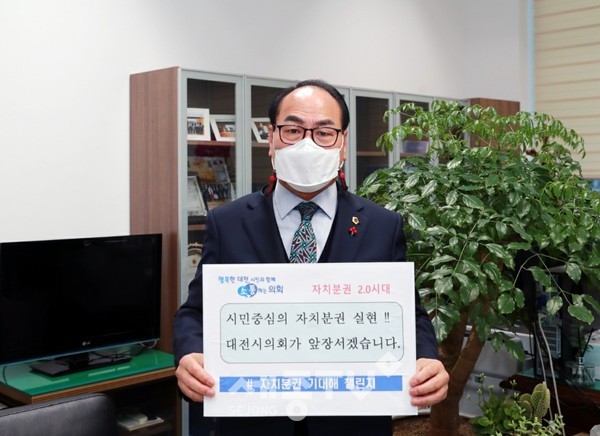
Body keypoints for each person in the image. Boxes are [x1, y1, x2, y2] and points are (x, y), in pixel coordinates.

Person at [174, 79, 449, 435]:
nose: (307, 144)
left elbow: (408, 315)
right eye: (292, 130)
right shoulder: (228, 223)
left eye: (323, 132)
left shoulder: (383, 225)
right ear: (272, 140)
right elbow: (195, 312)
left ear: (343, 144)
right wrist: (190, 353)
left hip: (350, 424)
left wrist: (426, 357)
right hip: (253, 422)